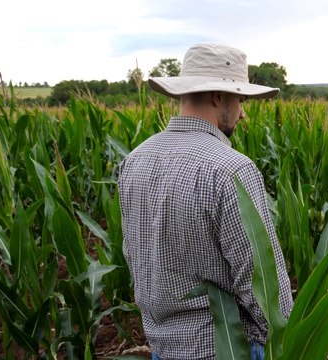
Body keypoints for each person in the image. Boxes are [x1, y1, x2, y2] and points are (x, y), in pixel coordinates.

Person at [118, 43, 293, 360]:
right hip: (226, 348)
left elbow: (134, 255)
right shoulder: (231, 169)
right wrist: (288, 341)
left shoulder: (134, 161)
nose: (243, 112)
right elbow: (262, 285)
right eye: (240, 100)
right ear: (218, 96)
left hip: (163, 347)